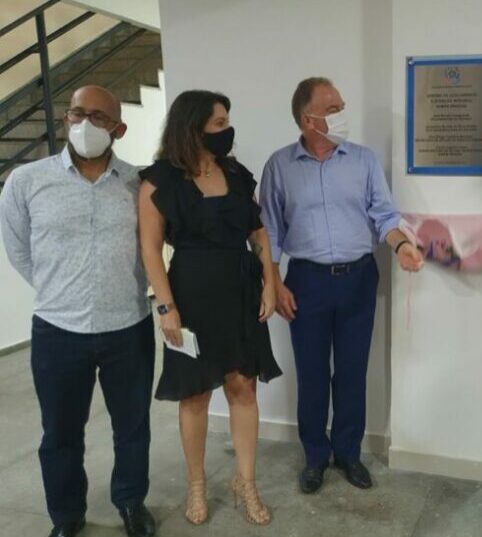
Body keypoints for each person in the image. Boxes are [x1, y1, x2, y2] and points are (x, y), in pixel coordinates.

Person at [0, 86, 156, 537]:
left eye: (98, 117)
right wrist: (59, 289)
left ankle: (131, 502)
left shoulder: (139, 183)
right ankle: (66, 516)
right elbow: (19, 250)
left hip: (128, 326)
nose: (85, 124)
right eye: (76, 113)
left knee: (132, 427)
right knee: (61, 432)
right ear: (65, 117)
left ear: (118, 129)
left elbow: (152, 245)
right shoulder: (27, 181)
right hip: (57, 330)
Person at [259, 77, 423, 494]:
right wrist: (274, 282)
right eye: (332, 109)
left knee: (352, 371)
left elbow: (384, 215)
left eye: (341, 107)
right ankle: (315, 456)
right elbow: (269, 231)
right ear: (307, 119)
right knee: (312, 373)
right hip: (306, 281)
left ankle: (348, 453)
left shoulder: (363, 161)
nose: (341, 115)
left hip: (358, 279)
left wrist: (402, 244)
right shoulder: (280, 166)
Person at [138, 90, 281, 526]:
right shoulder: (160, 180)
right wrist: (166, 308)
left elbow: (258, 232)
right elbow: (150, 248)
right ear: (193, 126)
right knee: (195, 393)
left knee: (244, 387)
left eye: (226, 122)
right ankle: (197, 484)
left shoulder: (235, 172)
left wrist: (270, 283)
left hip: (240, 292)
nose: (227, 130)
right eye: (219, 123)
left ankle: (246, 482)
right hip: (190, 297)